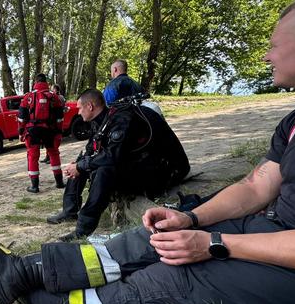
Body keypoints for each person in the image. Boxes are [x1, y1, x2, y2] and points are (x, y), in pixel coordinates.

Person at [0, 0, 295, 304]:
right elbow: (254, 186)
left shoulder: (121, 117)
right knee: (154, 238)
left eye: (276, 45)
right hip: (267, 229)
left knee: (172, 277)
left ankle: (42, 299)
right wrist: (190, 218)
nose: (266, 55)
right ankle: (25, 272)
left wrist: (217, 244)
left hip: (286, 260)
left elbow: (111, 157)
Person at [47, 89, 189, 241]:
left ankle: (83, 229)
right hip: (142, 167)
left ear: (90, 106)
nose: (79, 112)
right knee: (81, 162)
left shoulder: (122, 119)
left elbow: (112, 157)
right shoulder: (103, 120)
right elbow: (92, 149)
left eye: (80, 108)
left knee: (104, 170)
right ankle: (69, 211)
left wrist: (82, 166)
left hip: (165, 173)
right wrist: (78, 165)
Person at [18, 74, 65, 193]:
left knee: (33, 156)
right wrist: (59, 131)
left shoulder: (28, 97)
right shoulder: (54, 97)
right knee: (54, 153)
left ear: (35, 82)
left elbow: (21, 118)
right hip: (50, 130)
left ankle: (35, 186)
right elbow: (60, 118)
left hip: (33, 130)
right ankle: (59, 182)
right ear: (46, 82)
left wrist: (21, 132)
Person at [41, 84, 66, 164]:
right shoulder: (54, 97)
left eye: (52, 89)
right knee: (49, 141)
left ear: (56, 90)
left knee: (54, 142)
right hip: (52, 121)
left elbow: (60, 109)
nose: (51, 91)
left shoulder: (59, 97)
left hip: (56, 122)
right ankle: (47, 157)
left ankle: (51, 158)